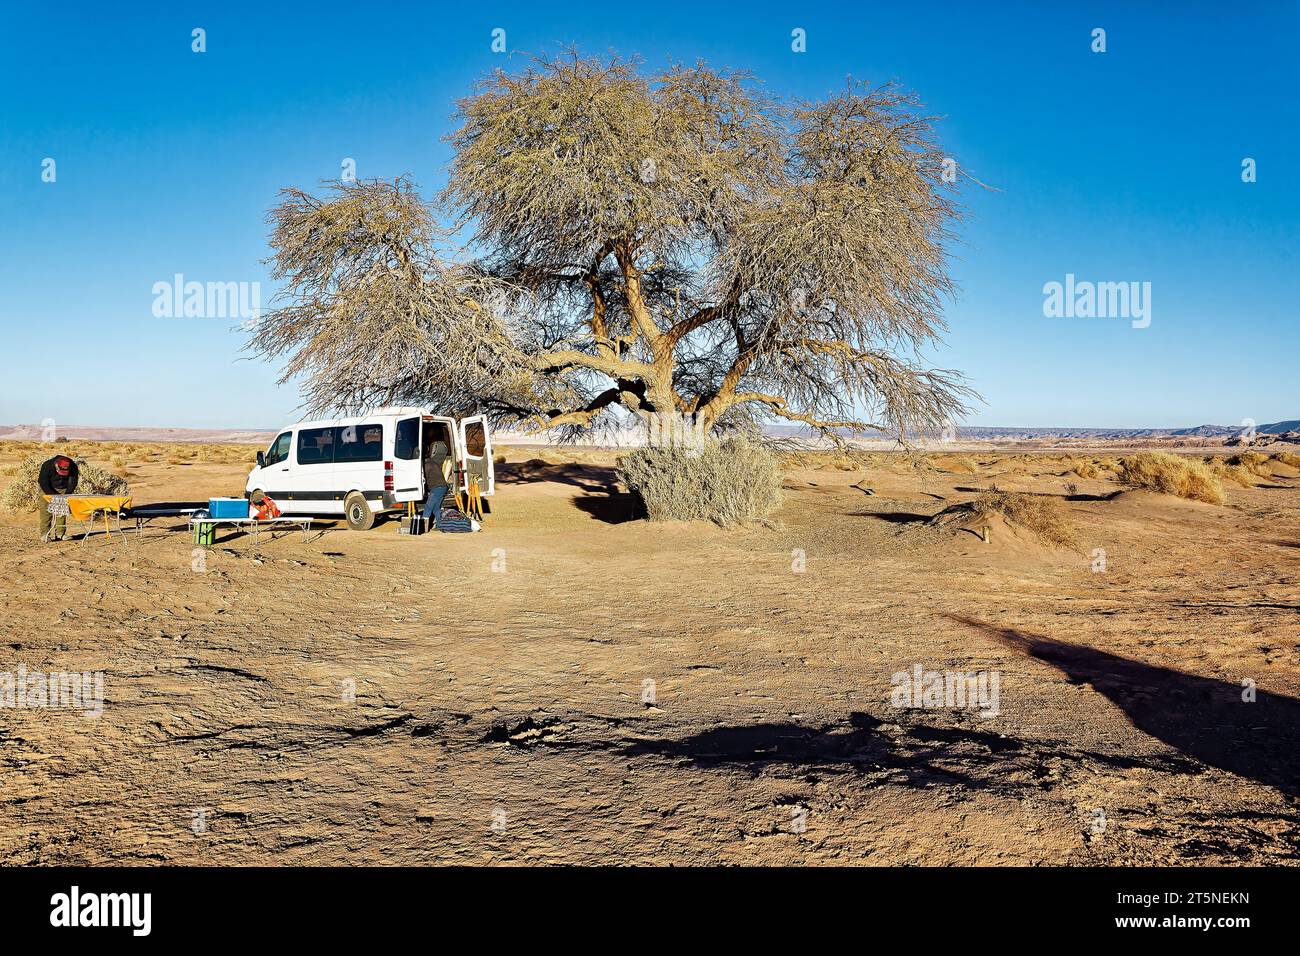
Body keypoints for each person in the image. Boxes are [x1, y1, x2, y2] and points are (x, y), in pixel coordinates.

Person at [37, 454, 79, 541]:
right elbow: (43, 482)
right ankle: (45, 535)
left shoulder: (72, 465)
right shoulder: (47, 465)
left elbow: (73, 482)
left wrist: (67, 494)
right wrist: (53, 496)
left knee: (62, 511)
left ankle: (60, 534)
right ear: (56, 466)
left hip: (63, 489)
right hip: (47, 488)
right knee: (46, 511)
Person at [422, 440, 453, 529]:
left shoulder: (427, 465)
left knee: (428, 507)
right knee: (436, 508)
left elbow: (424, 478)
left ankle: (424, 526)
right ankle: (440, 526)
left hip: (437, 488)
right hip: (442, 487)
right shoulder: (431, 463)